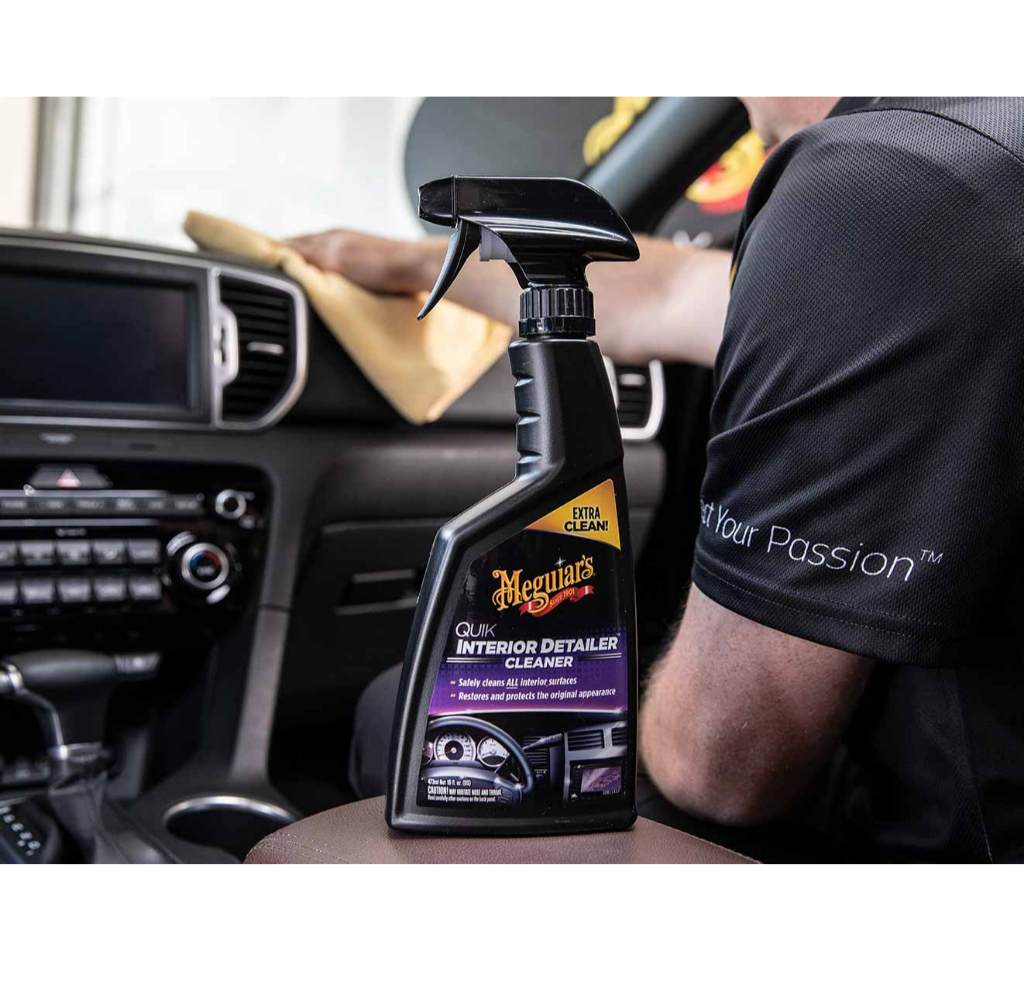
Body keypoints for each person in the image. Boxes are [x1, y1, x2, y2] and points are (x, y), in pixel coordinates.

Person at [291, 98, 1024, 862]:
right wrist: (410, 263)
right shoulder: (972, 160)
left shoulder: (883, 186)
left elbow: (718, 766)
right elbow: (672, 295)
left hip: (947, 844)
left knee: (404, 720)